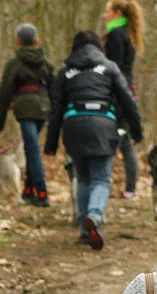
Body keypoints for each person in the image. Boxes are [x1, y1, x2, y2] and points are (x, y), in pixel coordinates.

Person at [44, 31, 142, 250]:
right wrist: (136, 130)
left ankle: (84, 230)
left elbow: (56, 110)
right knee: (100, 178)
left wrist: (51, 143)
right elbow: (128, 101)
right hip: (103, 126)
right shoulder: (109, 68)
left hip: (74, 128)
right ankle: (95, 215)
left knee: (83, 177)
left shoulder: (65, 72)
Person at [0, 23, 55, 207]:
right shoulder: (47, 63)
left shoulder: (14, 64)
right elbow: (54, 88)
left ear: (17, 41)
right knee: (32, 148)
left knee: (32, 149)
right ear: (36, 40)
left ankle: (42, 192)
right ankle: (28, 191)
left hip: (25, 109)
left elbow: (5, 93)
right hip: (44, 108)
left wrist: (0, 121)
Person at [102, 0, 145, 199]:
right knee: (123, 140)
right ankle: (130, 188)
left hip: (118, 92)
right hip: (128, 88)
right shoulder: (127, 34)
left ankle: (108, 185)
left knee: (115, 140)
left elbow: (113, 68)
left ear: (118, 13)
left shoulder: (115, 35)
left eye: (107, 11)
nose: (104, 15)